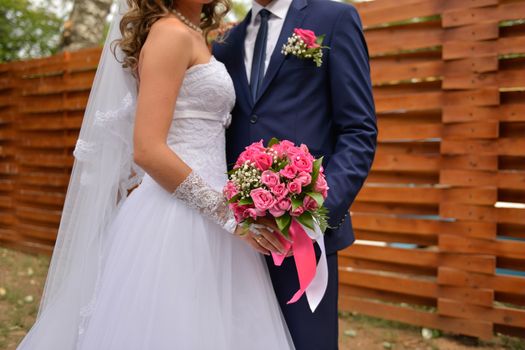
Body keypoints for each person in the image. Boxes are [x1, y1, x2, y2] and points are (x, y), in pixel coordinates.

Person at [17, 0, 294, 349]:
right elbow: (148, 149)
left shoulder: (192, 33)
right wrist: (229, 216)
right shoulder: (170, 34)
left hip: (214, 214)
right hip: (177, 218)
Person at [213, 0, 377, 348]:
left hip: (304, 239)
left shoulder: (334, 19)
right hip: (237, 239)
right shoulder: (225, 43)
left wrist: (314, 214)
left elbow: (358, 132)